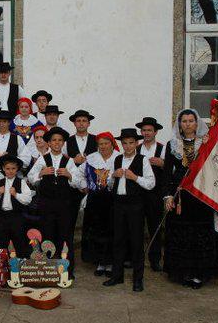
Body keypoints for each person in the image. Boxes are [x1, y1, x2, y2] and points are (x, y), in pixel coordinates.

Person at [162, 109, 218, 288]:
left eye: (191, 121)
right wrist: (167, 195)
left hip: (200, 194)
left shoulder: (205, 143)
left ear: (197, 124)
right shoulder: (172, 144)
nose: (188, 124)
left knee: (199, 235)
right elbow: (167, 173)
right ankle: (182, 272)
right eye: (184, 121)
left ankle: (199, 274)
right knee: (180, 234)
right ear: (179, 124)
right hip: (179, 194)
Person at [104, 128, 156, 292]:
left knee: (136, 241)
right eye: (124, 143)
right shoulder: (117, 159)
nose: (127, 146)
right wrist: (113, 176)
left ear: (137, 143)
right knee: (118, 240)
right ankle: (117, 276)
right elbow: (110, 185)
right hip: (118, 204)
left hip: (135, 205)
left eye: (131, 143)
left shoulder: (143, 160)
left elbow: (151, 183)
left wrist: (135, 177)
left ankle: (138, 279)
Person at [27, 127, 81, 277]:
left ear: (63, 143)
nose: (57, 143)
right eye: (54, 140)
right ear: (49, 143)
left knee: (65, 236)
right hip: (46, 204)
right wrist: (41, 173)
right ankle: (47, 269)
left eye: (60, 140)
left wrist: (69, 175)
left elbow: (79, 182)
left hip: (64, 204)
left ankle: (68, 271)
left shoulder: (69, 161)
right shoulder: (42, 159)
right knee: (47, 234)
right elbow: (31, 178)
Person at [79, 132, 118, 276]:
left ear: (112, 144)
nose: (103, 146)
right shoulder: (91, 158)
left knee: (111, 230)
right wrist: (84, 186)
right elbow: (79, 174)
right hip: (95, 199)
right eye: (100, 144)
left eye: (106, 143)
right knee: (96, 230)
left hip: (111, 199)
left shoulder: (118, 158)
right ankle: (100, 262)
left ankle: (110, 262)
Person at [136, 116, 166, 271]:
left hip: (155, 195)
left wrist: (163, 164)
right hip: (139, 195)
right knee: (136, 227)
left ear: (155, 132)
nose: (146, 133)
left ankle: (155, 260)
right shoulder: (136, 149)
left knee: (155, 227)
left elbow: (170, 171)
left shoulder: (163, 149)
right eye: (144, 130)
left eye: (149, 130)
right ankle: (136, 258)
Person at [64, 109, 97, 243]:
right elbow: (62, 160)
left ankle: (90, 252)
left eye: (84, 121)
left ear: (89, 123)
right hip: (72, 186)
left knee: (92, 220)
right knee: (70, 219)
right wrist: (73, 160)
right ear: (74, 123)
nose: (81, 123)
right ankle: (68, 251)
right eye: (78, 121)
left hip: (93, 186)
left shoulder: (97, 140)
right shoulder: (67, 141)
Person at [0, 154, 32, 254]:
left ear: (17, 169)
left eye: (13, 168)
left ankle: (19, 261)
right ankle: (3, 263)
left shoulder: (21, 182)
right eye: (8, 168)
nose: (10, 171)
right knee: (1, 241)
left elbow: (28, 199)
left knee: (19, 240)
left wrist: (16, 194)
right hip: (2, 217)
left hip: (16, 216)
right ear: (3, 169)